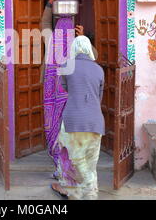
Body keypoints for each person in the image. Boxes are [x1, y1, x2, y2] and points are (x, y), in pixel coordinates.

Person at [51, 35, 105, 200]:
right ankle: (89, 192)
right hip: (96, 120)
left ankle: (86, 190)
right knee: (91, 162)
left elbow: (65, 87)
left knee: (76, 160)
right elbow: (99, 96)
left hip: (74, 120)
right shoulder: (99, 69)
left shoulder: (67, 65)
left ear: (74, 48)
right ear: (89, 48)